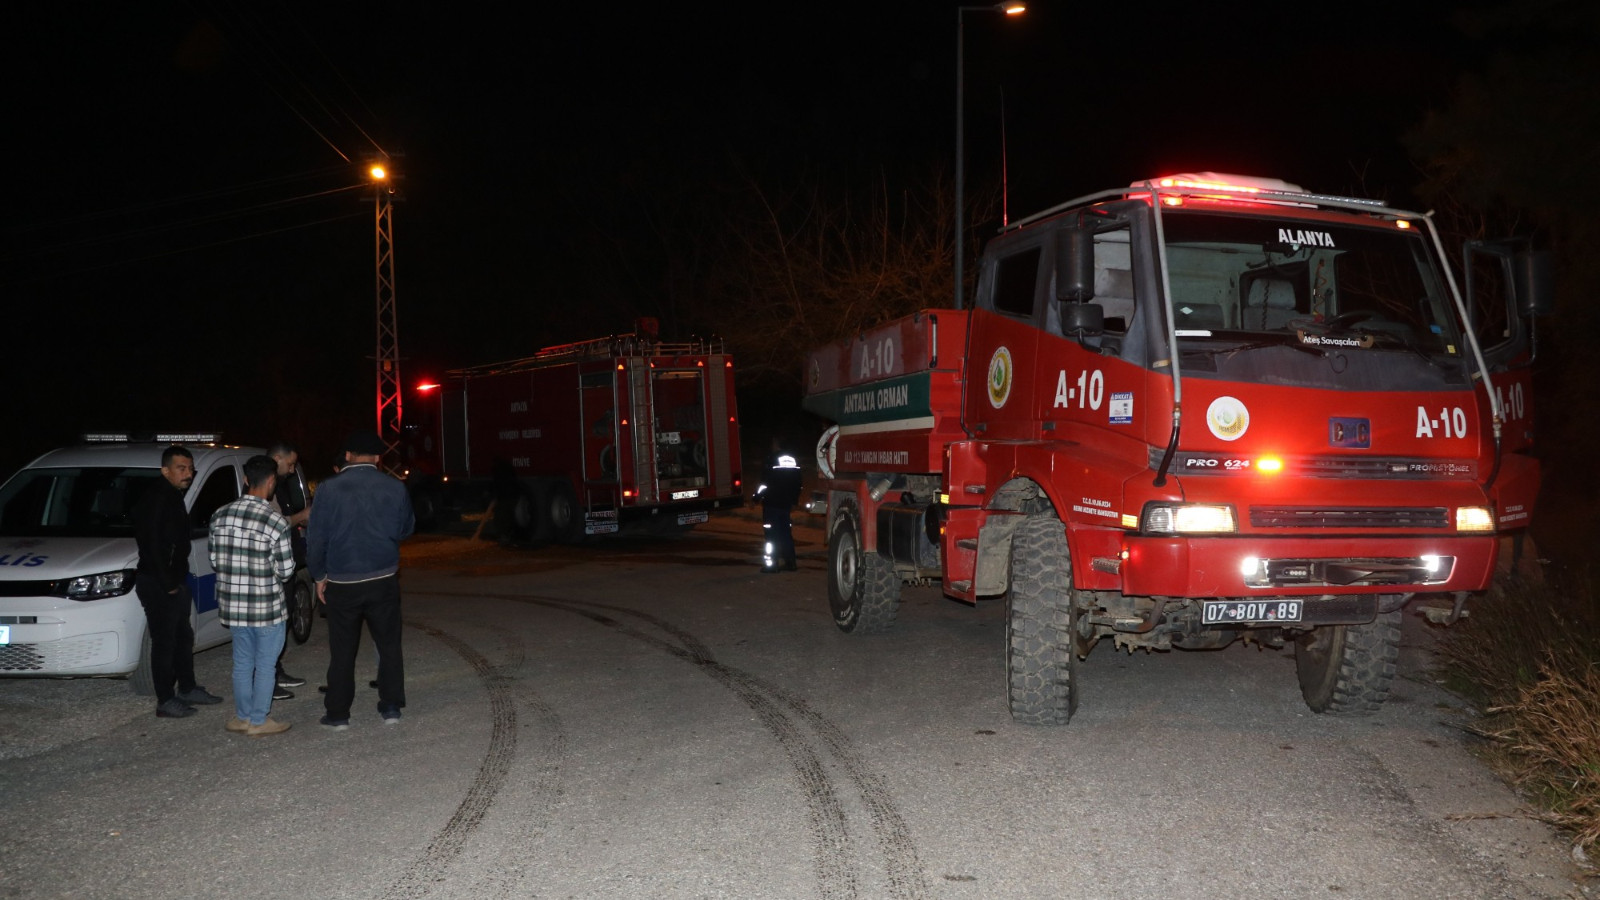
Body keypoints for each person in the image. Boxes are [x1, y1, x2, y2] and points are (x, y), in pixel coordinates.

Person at [307, 431, 415, 729]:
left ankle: (339, 714)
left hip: (342, 582)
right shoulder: (395, 487)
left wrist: (318, 576)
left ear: (349, 456)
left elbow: (316, 539)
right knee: (389, 644)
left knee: (342, 650)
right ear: (378, 457)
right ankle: (391, 706)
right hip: (383, 578)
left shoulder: (328, 489)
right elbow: (406, 529)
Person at [131, 445, 223, 718]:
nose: (188, 474)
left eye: (190, 468)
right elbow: (152, 545)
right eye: (181, 468)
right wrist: (168, 582)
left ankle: (187, 687)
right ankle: (165, 700)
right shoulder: (158, 499)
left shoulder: (171, 496)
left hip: (173, 579)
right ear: (165, 470)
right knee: (164, 642)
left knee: (183, 637)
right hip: (159, 582)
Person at [208, 455, 296, 737]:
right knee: (265, 665)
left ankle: (243, 716)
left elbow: (214, 559)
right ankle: (259, 721)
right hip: (266, 607)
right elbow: (286, 571)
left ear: (246, 480)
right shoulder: (275, 522)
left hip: (233, 606)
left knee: (242, 662)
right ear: (271, 481)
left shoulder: (219, 515)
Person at [266, 441, 310, 699]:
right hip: (273, 570)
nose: (293, 470)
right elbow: (274, 523)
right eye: (290, 463)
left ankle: (275, 670)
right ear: (277, 458)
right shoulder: (266, 487)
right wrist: (302, 515)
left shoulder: (280, 485)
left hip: (287, 563)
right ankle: (267, 681)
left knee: (281, 624)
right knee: (271, 628)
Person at [754, 436, 803, 573]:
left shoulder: (771, 459)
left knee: (771, 536)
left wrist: (756, 498)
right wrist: (794, 500)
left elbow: (764, 483)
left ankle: (772, 564)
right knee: (786, 534)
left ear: (776, 445)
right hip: (785, 504)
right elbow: (798, 483)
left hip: (772, 503)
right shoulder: (793, 460)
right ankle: (790, 562)